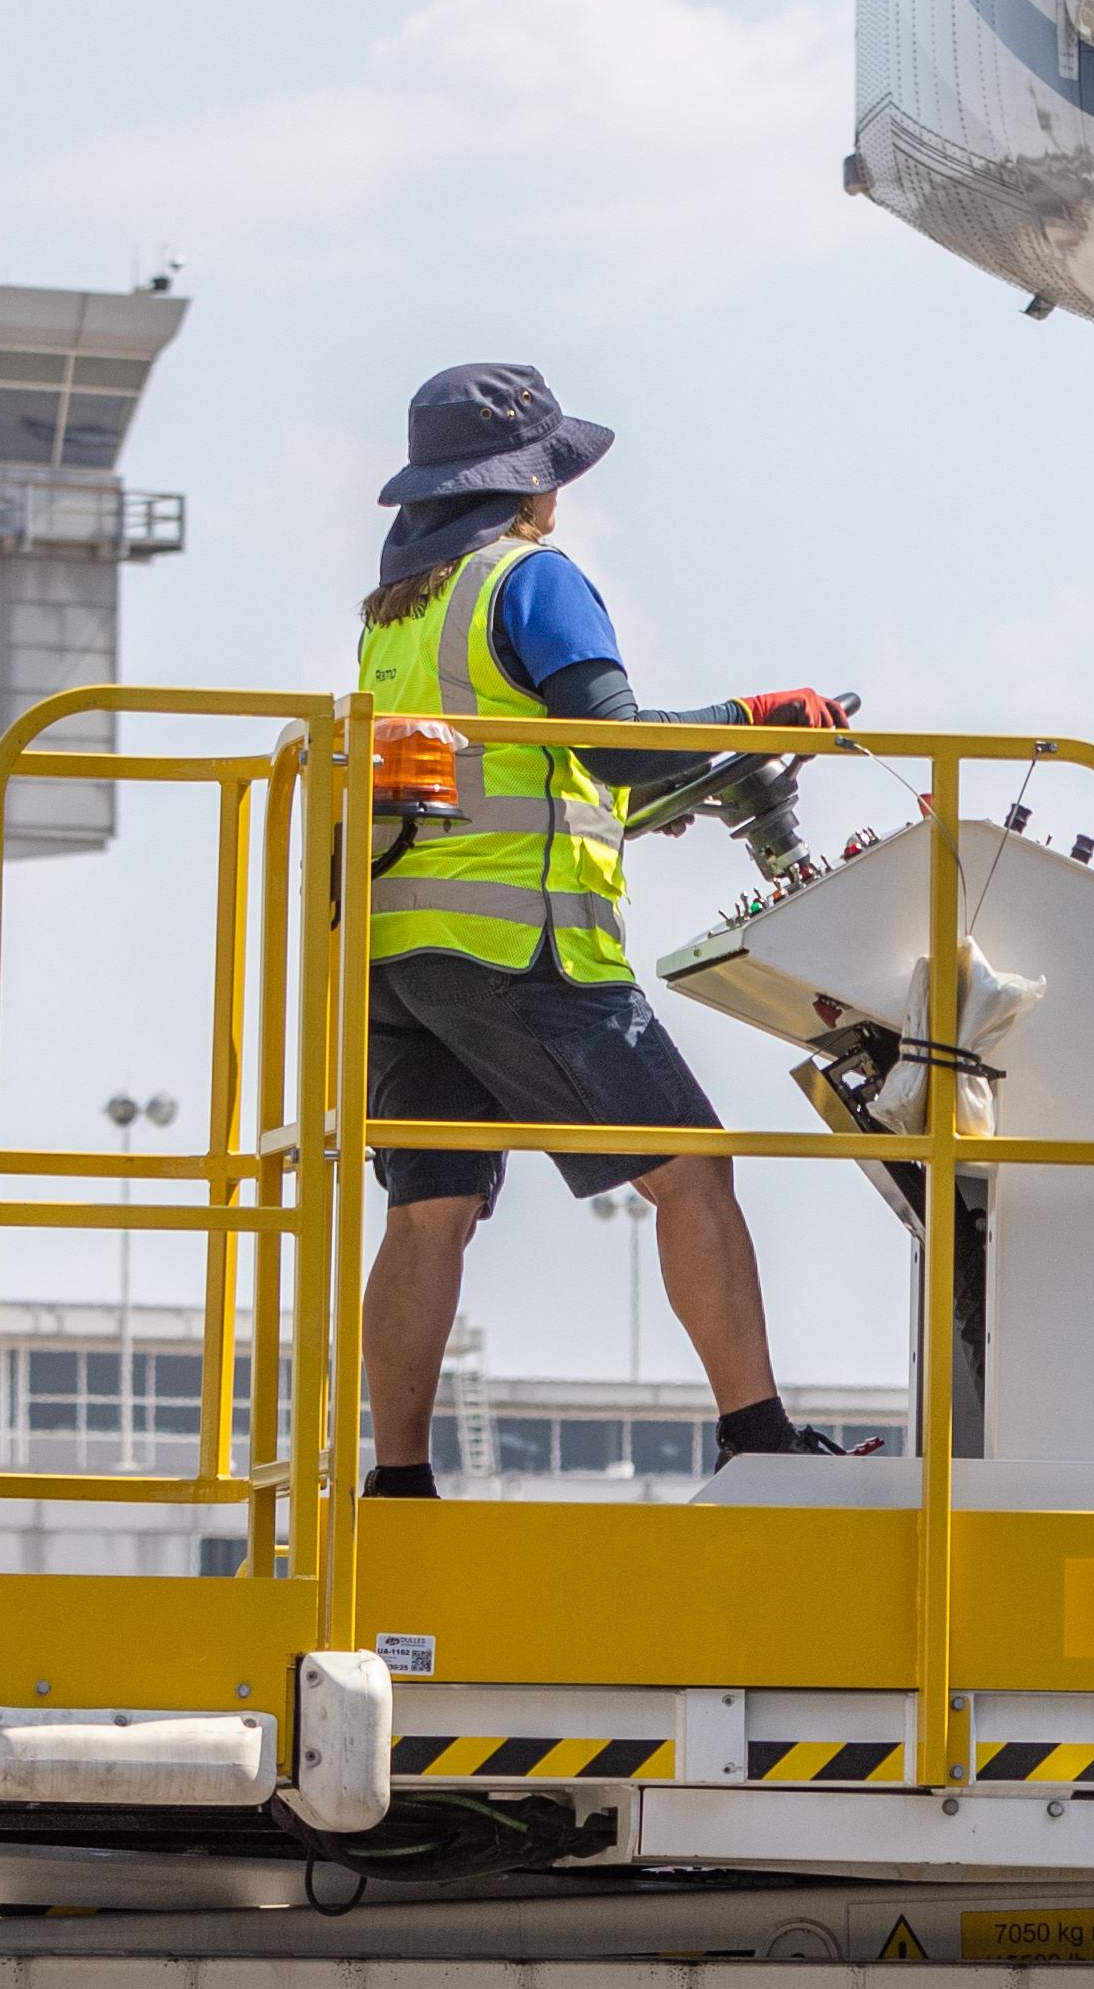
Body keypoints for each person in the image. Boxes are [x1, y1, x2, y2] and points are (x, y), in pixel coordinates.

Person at [348, 362, 851, 1494]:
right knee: (694, 1172)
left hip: (399, 959)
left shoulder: (397, 614)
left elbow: (506, 767)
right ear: (529, 484)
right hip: (521, 950)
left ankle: (399, 1482)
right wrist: (759, 717)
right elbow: (612, 740)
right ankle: (756, 1435)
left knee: (427, 1214)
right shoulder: (532, 581)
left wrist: (632, 804)